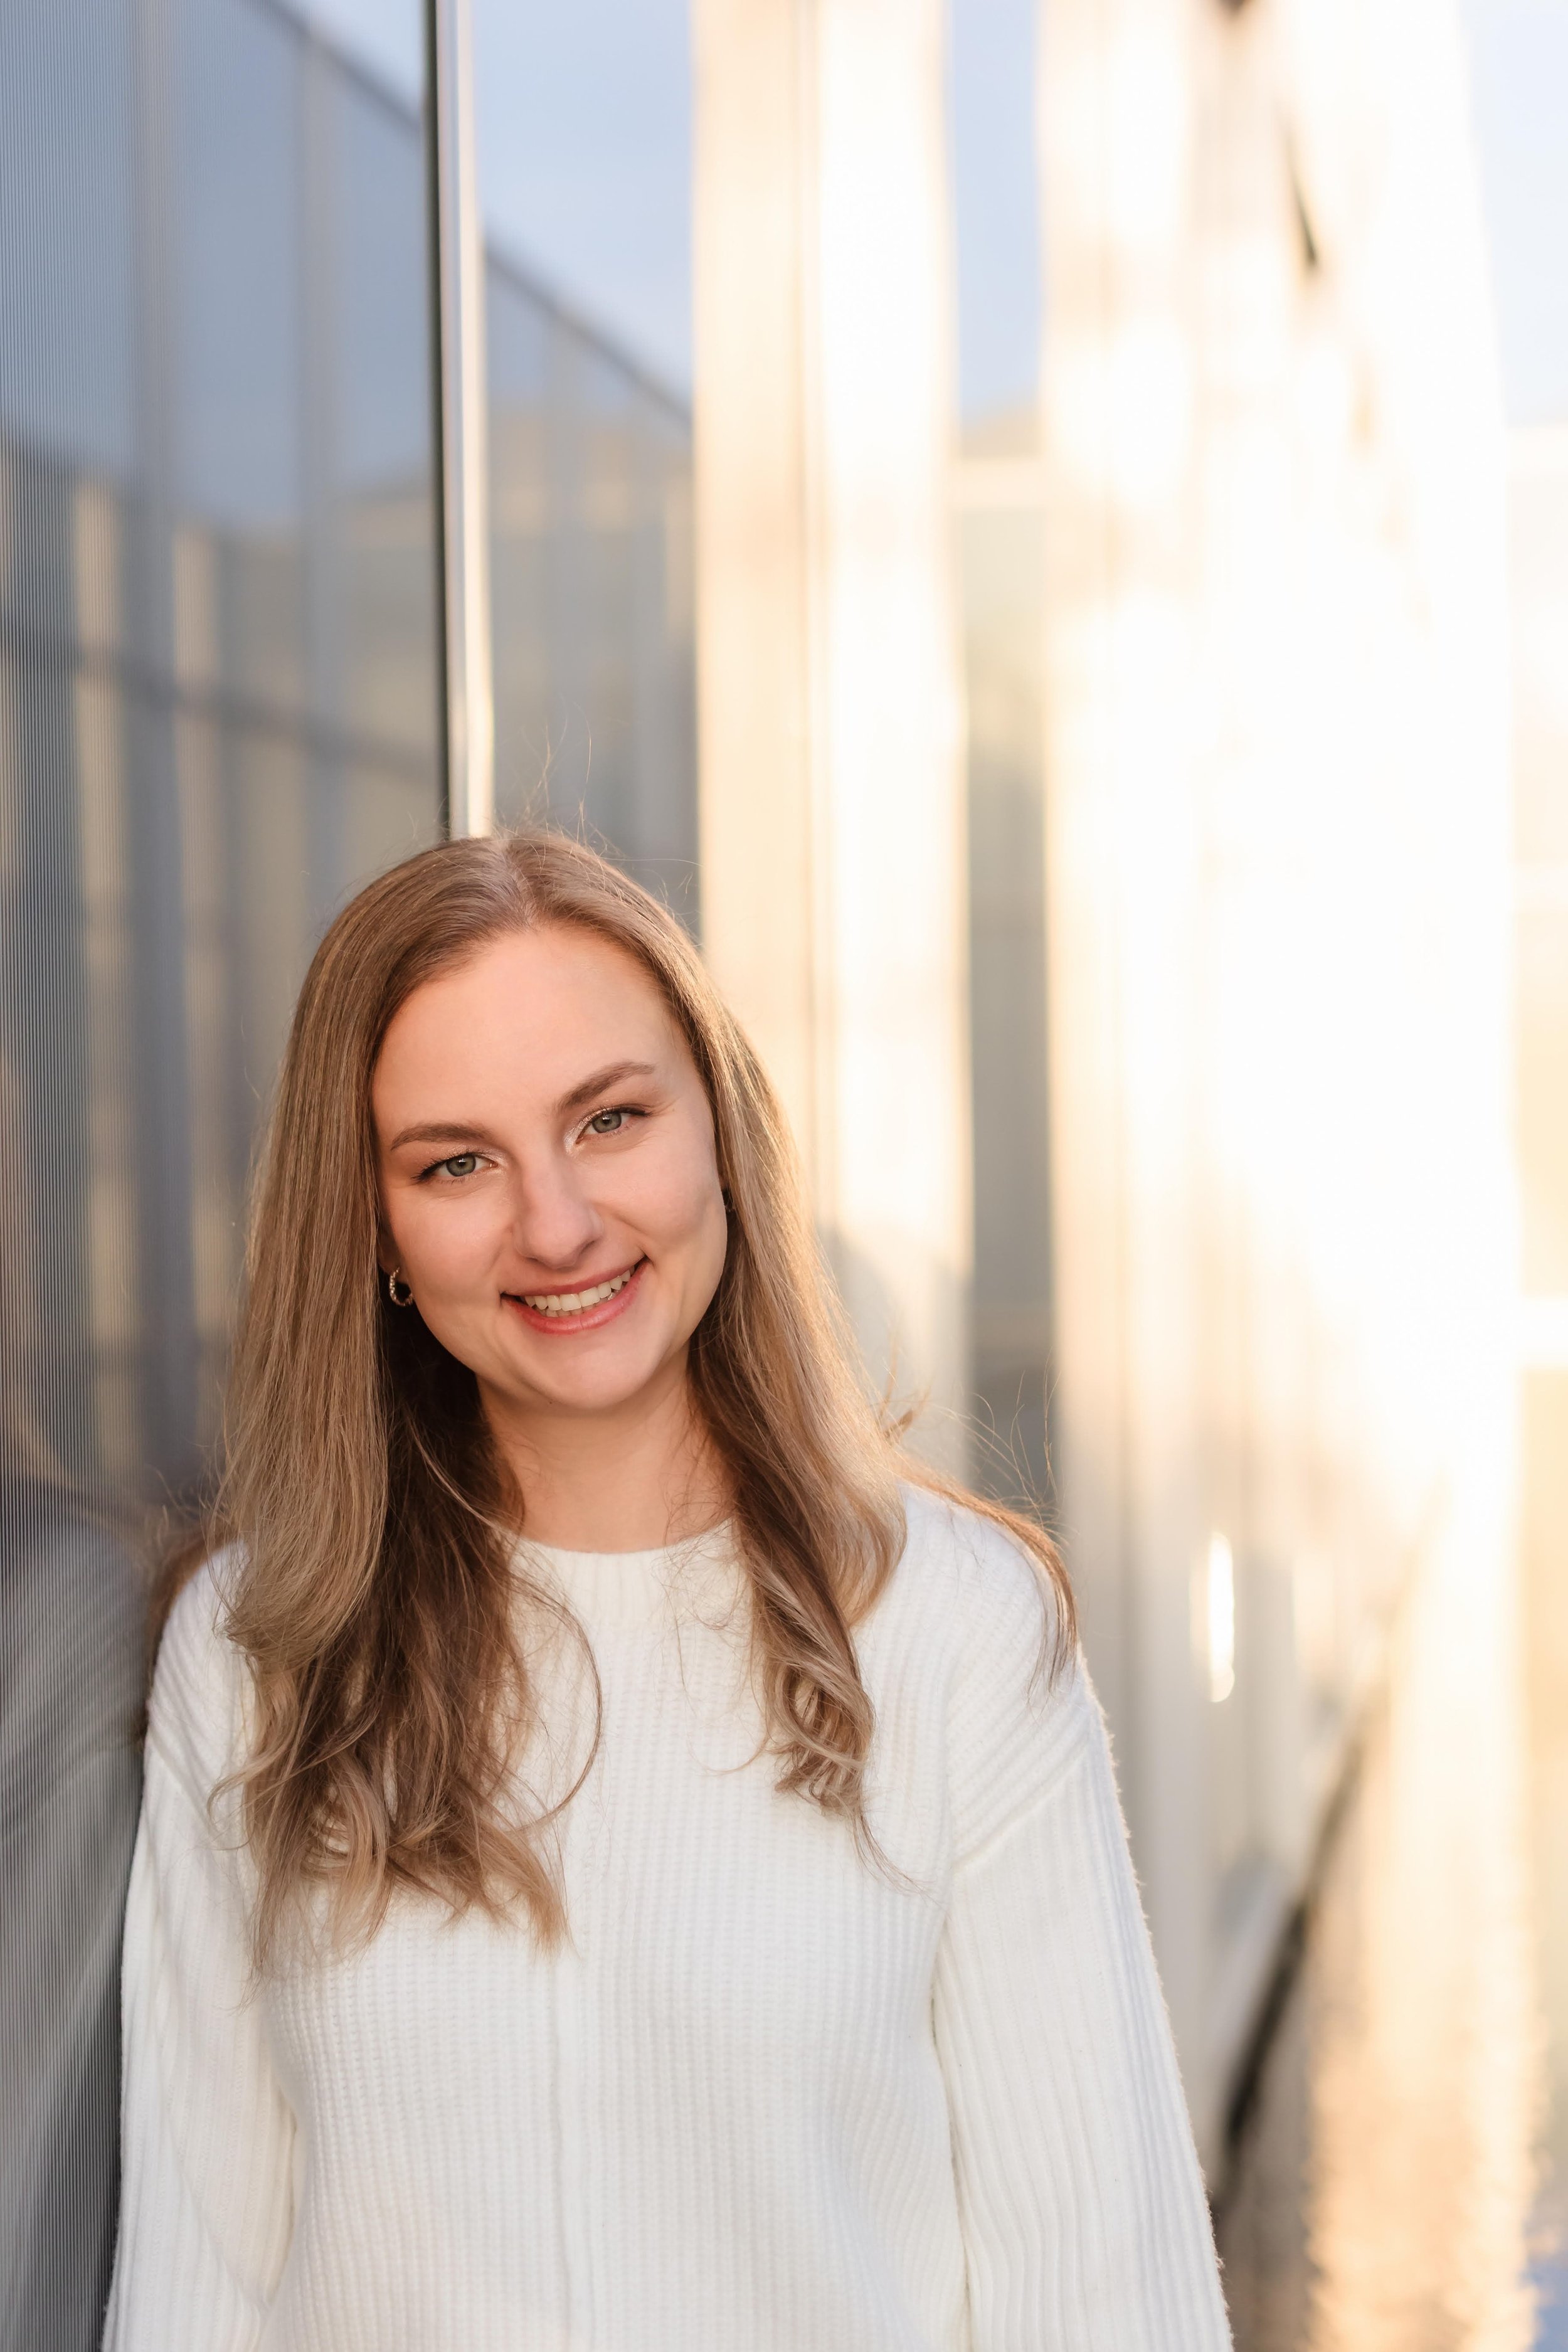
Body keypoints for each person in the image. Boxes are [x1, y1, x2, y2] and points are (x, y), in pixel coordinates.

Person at [103, 831, 1231, 2351]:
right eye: (456, 1162)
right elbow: (197, 2279)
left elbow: (1106, 2294)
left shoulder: (955, 1630)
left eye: (609, 1120)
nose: (555, 1226)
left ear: (719, 1131)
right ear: (374, 1229)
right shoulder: (254, 1653)